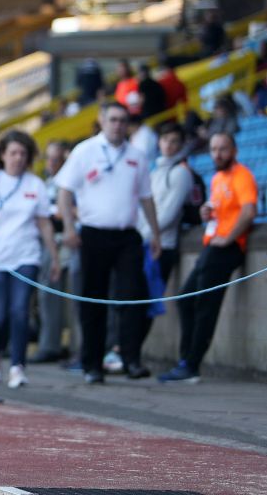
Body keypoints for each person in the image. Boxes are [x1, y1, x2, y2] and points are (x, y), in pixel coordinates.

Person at [55, 101, 162, 384]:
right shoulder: (85, 151)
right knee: (93, 300)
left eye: (123, 120)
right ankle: (92, 364)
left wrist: (156, 233)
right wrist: (68, 227)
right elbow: (64, 191)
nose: (118, 125)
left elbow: (147, 197)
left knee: (132, 297)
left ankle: (131, 359)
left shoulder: (137, 156)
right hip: (93, 233)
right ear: (102, 120)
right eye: (113, 119)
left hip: (127, 235)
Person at [160, 132, 256, 383]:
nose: (217, 154)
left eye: (223, 149)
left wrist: (230, 237)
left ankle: (191, 365)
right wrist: (206, 214)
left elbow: (248, 211)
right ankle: (185, 361)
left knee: (205, 305)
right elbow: (221, 210)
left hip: (226, 248)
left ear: (234, 150)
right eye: (213, 149)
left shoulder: (242, 175)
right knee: (186, 300)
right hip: (211, 246)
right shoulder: (217, 178)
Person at [0, 131, 60, 389]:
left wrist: (53, 257)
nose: (18, 158)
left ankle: (18, 367)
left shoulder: (35, 185)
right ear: (2, 155)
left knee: (20, 311)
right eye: (13, 153)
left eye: (23, 154)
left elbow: (44, 224)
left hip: (26, 255)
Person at [138, 122, 194, 345]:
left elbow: (168, 213)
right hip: (144, 243)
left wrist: (145, 232)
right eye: (165, 140)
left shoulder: (180, 173)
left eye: (174, 142)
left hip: (163, 246)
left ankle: (131, 352)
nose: (168, 146)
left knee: (147, 302)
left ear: (181, 145)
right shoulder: (154, 172)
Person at [31, 140, 74, 364]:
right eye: (48, 159)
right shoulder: (47, 182)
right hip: (46, 242)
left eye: (56, 159)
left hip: (63, 242)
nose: (51, 163)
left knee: (63, 296)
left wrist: (61, 213)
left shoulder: (70, 182)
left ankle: (56, 345)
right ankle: (48, 342)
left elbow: (76, 209)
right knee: (45, 296)